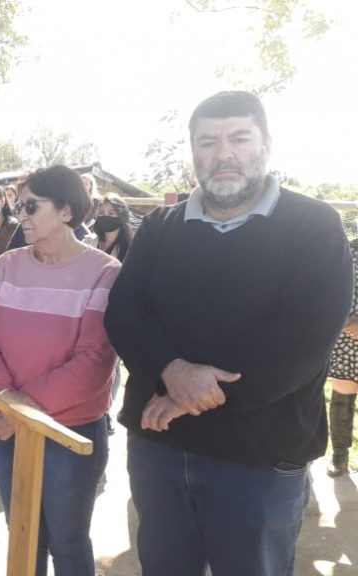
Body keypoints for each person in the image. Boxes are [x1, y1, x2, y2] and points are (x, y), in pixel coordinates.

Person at [104, 91, 353, 576]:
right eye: (208, 142)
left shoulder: (314, 226)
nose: (223, 153)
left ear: (266, 144)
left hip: (259, 459)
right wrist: (173, 372)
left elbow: (305, 334)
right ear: (194, 152)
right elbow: (124, 311)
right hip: (160, 450)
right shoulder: (161, 226)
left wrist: (194, 392)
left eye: (239, 137)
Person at [0, 165, 118, 576]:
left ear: (66, 211)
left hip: (68, 433)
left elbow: (94, 362)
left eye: (31, 206)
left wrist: (20, 411)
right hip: (5, 424)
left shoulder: (105, 272)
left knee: (67, 543)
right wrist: (10, 406)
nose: (20, 215)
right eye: (18, 206)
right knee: (23, 534)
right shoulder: (7, 266)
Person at [93, 193, 134, 434]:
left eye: (111, 214)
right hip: (88, 309)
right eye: (101, 214)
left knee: (111, 364)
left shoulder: (132, 247)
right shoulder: (89, 241)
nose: (105, 218)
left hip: (117, 311)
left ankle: (104, 411)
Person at [326, 236, 358, 477]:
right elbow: (332, 290)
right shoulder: (346, 250)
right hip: (349, 337)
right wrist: (347, 321)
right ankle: (340, 455)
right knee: (343, 397)